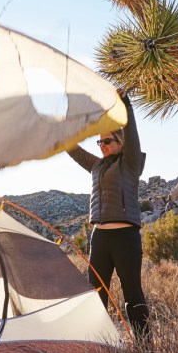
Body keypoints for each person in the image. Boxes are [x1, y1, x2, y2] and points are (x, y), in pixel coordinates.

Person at [67, 91, 149, 337]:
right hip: (99, 238)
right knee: (96, 293)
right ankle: (97, 345)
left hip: (125, 237)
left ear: (121, 142)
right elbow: (75, 152)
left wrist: (126, 105)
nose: (102, 146)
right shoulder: (97, 165)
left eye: (107, 142)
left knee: (132, 292)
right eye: (99, 143)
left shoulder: (130, 162)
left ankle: (144, 348)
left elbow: (132, 134)